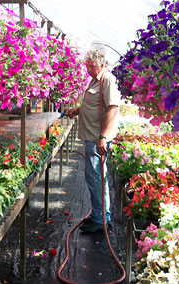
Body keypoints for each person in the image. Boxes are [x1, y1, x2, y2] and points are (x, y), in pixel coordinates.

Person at [65, 49, 121, 233]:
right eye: (87, 65)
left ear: (102, 64)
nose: (88, 69)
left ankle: (101, 219)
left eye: (92, 66)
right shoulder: (96, 79)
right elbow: (94, 104)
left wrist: (103, 137)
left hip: (97, 138)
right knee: (94, 177)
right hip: (91, 136)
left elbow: (112, 108)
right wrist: (78, 110)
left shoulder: (107, 80)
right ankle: (98, 214)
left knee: (96, 177)